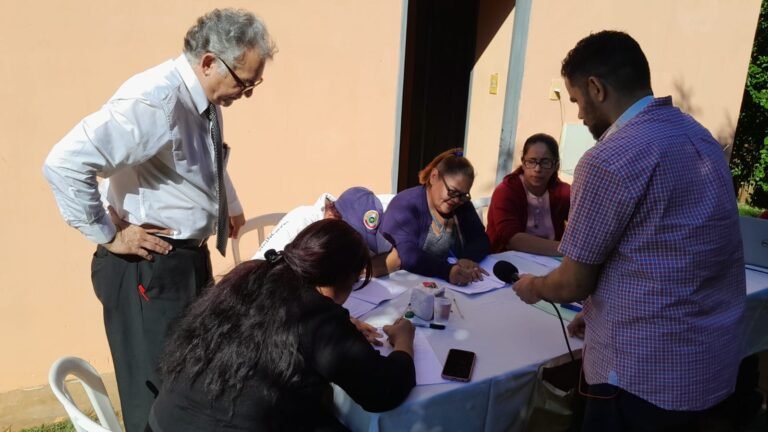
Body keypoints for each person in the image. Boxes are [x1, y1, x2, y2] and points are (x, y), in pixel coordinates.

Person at [42, 9, 276, 431]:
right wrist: (108, 232)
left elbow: (203, 160)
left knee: (191, 383)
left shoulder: (201, 100)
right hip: (147, 269)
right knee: (154, 396)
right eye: (244, 82)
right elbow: (65, 163)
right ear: (209, 62)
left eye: (253, 83)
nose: (247, 93)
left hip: (184, 262)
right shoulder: (155, 102)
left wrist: (229, 205)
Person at [512, 31, 745, 431]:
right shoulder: (700, 138)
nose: (581, 116)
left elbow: (572, 281)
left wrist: (533, 287)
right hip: (709, 365)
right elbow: (673, 250)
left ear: (595, 88)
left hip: (641, 377)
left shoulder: (608, 159)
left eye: (576, 102)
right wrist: (600, 313)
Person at [148, 219, 416, 431]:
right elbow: (383, 392)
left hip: (164, 421)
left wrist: (343, 328)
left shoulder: (250, 275)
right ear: (345, 278)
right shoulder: (320, 318)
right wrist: (403, 340)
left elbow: (267, 326)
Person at [381, 148, 490, 286]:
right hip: (407, 286)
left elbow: (481, 239)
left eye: (463, 195)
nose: (457, 200)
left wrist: (467, 258)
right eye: (452, 192)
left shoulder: (463, 206)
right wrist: (447, 271)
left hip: (448, 285)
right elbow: (406, 254)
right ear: (434, 177)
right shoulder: (406, 205)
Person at [253, 187, 400, 277]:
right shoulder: (301, 220)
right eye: (350, 234)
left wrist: (354, 273)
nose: (354, 243)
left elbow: (395, 259)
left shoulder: (365, 225)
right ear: (332, 212)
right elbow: (259, 269)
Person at [486, 133, 570, 256]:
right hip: (506, 260)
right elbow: (511, 239)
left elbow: (584, 222)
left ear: (556, 166)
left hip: (551, 262)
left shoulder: (562, 192)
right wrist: (567, 249)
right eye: (531, 161)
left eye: (545, 162)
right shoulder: (506, 191)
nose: (537, 169)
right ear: (523, 163)